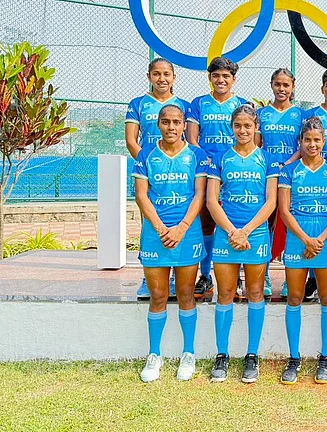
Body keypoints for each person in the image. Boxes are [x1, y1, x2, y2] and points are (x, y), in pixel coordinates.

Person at [132, 104, 208, 383]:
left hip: (187, 233)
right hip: (156, 234)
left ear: (184, 125)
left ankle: (188, 353)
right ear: (158, 125)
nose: (172, 127)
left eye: (177, 122)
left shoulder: (197, 156)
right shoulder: (146, 155)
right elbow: (142, 196)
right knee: (159, 295)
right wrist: (163, 228)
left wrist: (182, 228)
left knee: (187, 294)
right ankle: (154, 355)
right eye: (166, 122)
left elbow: (199, 196)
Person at [206, 103, 280, 383]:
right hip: (227, 234)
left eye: (248, 125)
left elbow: (271, 201)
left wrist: (246, 231)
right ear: (231, 127)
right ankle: (222, 354)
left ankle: (252, 355)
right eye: (238, 126)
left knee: (255, 293)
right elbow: (212, 200)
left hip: (256, 235)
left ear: (256, 128)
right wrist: (231, 231)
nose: (243, 130)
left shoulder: (268, 160)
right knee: (225, 294)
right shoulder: (221, 158)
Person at [278, 116, 327, 385]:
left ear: (324, 142)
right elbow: (284, 210)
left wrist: (320, 240)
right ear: (300, 142)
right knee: (294, 297)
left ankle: (325, 357)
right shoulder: (289, 171)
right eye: (307, 140)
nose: (312, 144)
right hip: (297, 238)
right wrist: (305, 239)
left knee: (326, 296)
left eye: (317, 140)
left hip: (324, 239)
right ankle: (294, 357)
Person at [186, 57, 249, 301]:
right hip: (208, 170)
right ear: (210, 78)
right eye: (216, 76)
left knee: (238, 220)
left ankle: (242, 273)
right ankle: (205, 275)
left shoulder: (243, 104)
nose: (221, 80)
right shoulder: (199, 103)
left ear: (233, 79)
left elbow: (250, 139)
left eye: (226, 76)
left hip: (235, 171)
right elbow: (192, 139)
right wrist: (208, 163)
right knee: (206, 223)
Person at [125, 58, 189, 300]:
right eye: (156, 74)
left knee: (181, 221)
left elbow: (190, 143)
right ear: (148, 76)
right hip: (152, 174)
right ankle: (147, 275)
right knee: (150, 223)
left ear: (174, 77)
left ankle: (174, 276)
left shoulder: (183, 105)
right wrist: (149, 166)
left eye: (166, 74)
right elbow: (132, 140)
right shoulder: (138, 104)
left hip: (179, 174)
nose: (162, 79)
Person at [256, 68, 304, 298]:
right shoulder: (261, 114)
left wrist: (286, 165)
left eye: (286, 85)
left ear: (293, 87)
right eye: (278, 84)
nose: (282, 89)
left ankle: (289, 277)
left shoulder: (301, 115)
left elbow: (303, 146)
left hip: (291, 174)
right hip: (266, 175)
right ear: (271, 85)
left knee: (289, 224)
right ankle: (263, 275)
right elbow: (256, 146)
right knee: (266, 224)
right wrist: (270, 167)